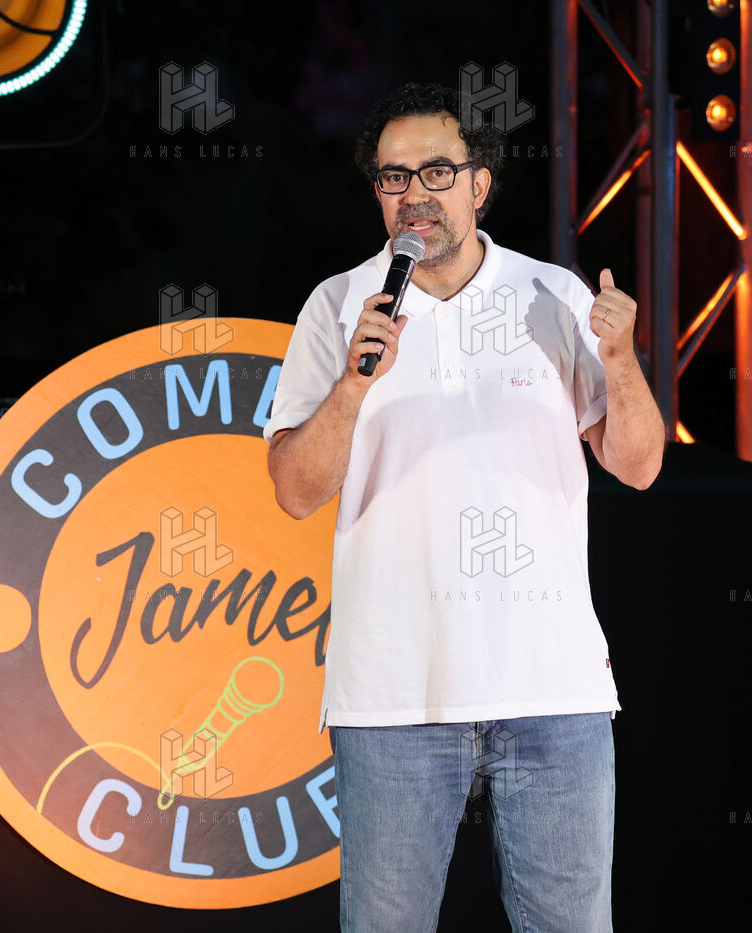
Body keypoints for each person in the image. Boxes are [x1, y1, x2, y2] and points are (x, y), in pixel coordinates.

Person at [263, 81, 665, 932]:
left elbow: (638, 466)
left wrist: (622, 357)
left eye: (437, 171)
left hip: (552, 690)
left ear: (479, 184)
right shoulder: (338, 306)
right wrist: (353, 384)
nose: (415, 193)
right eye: (393, 177)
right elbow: (295, 490)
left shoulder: (552, 295)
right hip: (393, 698)